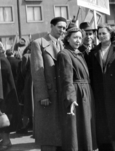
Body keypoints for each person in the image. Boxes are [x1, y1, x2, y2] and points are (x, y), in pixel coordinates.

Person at [56, 24, 97, 151]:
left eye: (80, 38)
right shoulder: (65, 54)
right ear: (67, 39)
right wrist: (71, 99)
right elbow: (66, 79)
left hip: (86, 93)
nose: (78, 40)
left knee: (86, 127)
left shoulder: (79, 53)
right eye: (75, 38)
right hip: (77, 94)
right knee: (76, 129)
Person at [31, 17, 67, 151]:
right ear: (51, 26)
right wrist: (43, 95)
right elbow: (37, 72)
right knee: (49, 134)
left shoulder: (63, 44)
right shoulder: (38, 43)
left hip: (61, 94)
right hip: (49, 94)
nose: (62, 30)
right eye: (59, 27)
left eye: (64, 28)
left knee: (62, 133)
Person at [0, 42, 20, 150]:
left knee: (2, 117)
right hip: (5, 94)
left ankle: (6, 142)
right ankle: (5, 140)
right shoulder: (2, 59)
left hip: (4, 96)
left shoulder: (1, 61)